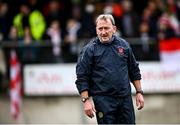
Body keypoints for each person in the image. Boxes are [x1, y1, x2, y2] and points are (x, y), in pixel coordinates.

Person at [75, 14, 144, 124]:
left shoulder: (124, 45)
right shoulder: (89, 50)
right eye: (100, 29)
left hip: (124, 99)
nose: (103, 32)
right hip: (103, 101)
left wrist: (139, 92)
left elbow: (134, 70)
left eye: (106, 28)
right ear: (96, 30)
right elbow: (82, 77)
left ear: (114, 29)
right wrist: (86, 100)